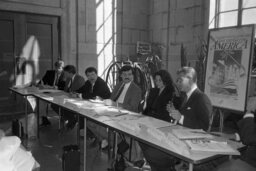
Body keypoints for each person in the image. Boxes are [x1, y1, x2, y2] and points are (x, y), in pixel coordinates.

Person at [139, 70, 177, 171]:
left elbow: (167, 112)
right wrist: (142, 116)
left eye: (160, 80)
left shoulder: (171, 92)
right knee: (139, 135)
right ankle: (151, 162)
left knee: (146, 137)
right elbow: (148, 108)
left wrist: (150, 119)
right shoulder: (153, 91)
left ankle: (156, 163)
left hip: (163, 122)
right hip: (150, 120)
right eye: (156, 80)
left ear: (165, 80)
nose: (157, 82)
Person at [214, 96, 256, 171]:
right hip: (245, 156)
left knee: (222, 166)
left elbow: (248, 139)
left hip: (251, 163)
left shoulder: (251, 114)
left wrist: (249, 112)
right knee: (213, 160)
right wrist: (231, 136)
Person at [167, 66, 212, 131]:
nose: (177, 83)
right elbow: (187, 116)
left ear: (190, 80)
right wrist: (173, 112)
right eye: (177, 80)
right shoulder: (185, 96)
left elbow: (204, 127)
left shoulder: (202, 98)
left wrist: (180, 118)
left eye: (180, 80)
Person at [54, 65, 85, 129]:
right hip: (68, 98)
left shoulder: (80, 79)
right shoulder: (68, 79)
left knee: (65, 105)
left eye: (65, 72)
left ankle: (72, 120)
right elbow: (66, 90)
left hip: (77, 100)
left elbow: (80, 92)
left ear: (70, 73)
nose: (64, 74)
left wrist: (72, 94)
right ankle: (70, 119)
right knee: (54, 104)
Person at [38, 60, 65, 126]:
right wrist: (41, 85)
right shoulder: (49, 72)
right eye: (56, 67)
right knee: (41, 100)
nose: (57, 69)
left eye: (59, 68)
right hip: (49, 92)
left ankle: (64, 117)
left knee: (59, 103)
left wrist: (58, 87)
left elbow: (65, 87)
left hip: (60, 94)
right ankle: (44, 119)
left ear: (63, 68)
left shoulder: (65, 75)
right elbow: (41, 82)